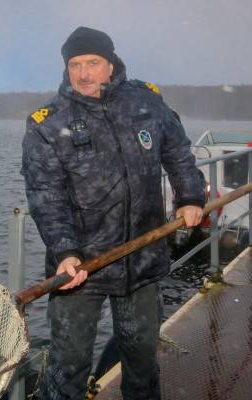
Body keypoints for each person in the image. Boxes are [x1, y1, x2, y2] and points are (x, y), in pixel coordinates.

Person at [21, 26, 205, 400]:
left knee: (141, 361)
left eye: (92, 62)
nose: (83, 73)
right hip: (79, 269)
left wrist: (190, 197)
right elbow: (46, 195)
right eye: (75, 64)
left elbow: (178, 153)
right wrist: (65, 252)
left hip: (142, 258)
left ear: (111, 64)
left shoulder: (146, 101)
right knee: (67, 367)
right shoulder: (47, 123)